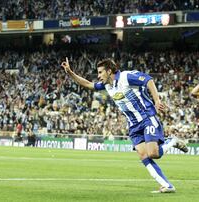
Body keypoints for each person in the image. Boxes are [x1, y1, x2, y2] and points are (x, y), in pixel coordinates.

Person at [61, 58, 188, 193]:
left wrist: (157, 100)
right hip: (133, 125)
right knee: (143, 155)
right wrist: (70, 72)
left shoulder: (126, 77)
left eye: (100, 72)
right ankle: (167, 185)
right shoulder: (107, 85)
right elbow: (87, 84)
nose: (98, 76)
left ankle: (172, 141)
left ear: (109, 71)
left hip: (146, 118)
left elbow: (148, 80)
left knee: (153, 153)